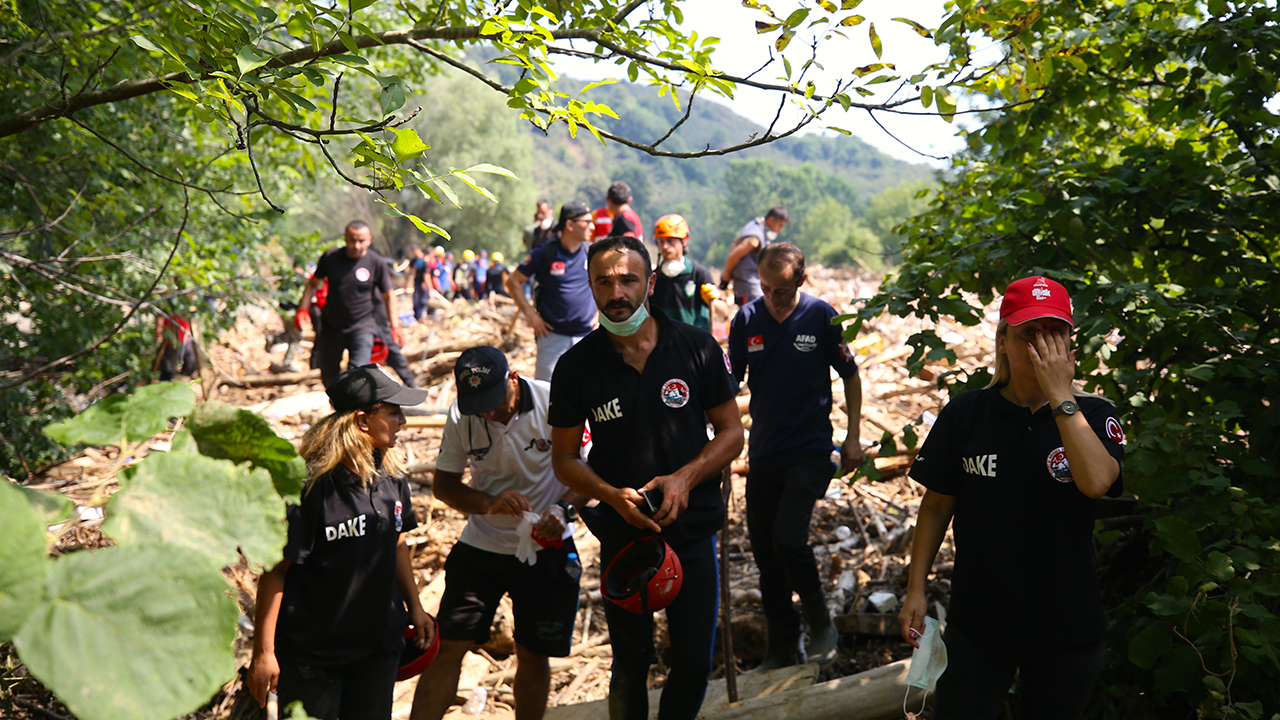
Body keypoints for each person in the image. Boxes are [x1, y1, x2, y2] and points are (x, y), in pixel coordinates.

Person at [898, 275, 1125, 720]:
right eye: (1028, 334)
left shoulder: (1095, 414)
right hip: (979, 624)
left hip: (1067, 626)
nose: (1042, 346)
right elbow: (938, 504)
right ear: (1003, 340)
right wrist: (915, 589)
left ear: (1071, 344)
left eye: (1055, 333)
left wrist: (1061, 396)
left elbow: (1097, 482)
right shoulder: (967, 413)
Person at [548, 235, 744, 720]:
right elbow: (565, 460)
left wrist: (686, 477)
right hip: (623, 532)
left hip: (693, 526)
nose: (617, 292)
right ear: (590, 286)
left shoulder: (695, 346)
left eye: (628, 279)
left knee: (696, 659)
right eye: (604, 281)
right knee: (631, 661)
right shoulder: (575, 367)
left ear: (650, 282)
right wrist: (611, 496)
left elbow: (731, 433)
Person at [410, 346, 586, 720]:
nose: (490, 413)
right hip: (482, 545)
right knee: (449, 645)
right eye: (480, 406)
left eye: (495, 401)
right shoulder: (463, 414)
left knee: (534, 651)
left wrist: (563, 509)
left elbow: (590, 469)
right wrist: (488, 503)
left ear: (514, 378)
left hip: (547, 544)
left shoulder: (555, 402)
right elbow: (445, 485)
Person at [249, 365, 434, 720]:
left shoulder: (391, 477)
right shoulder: (310, 487)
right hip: (313, 657)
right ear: (363, 420)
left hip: (377, 649)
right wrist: (264, 653)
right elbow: (276, 571)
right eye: (394, 412)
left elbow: (395, 543)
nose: (402, 422)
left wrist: (415, 606)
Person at [727, 243, 864, 670]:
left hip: (810, 450)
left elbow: (851, 374)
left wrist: (854, 436)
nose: (773, 297)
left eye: (782, 290)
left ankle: (821, 622)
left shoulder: (821, 316)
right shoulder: (747, 319)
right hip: (764, 452)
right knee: (766, 553)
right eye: (766, 288)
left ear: (800, 281)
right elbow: (730, 384)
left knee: (789, 539)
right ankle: (784, 643)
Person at [298, 221, 404, 388]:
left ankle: (355, 412)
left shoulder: (376, 262)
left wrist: (395, 325)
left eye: (361, 241)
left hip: (362, 327)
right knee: (329, 375)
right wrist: (303, 308)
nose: (356, 245)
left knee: (358, 374)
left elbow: (389, 295)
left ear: (369, 239)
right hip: (332, 328)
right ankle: (338, 410)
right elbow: (313, 284)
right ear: (345, 238)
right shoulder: (330, 258)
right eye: (352, 240)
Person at [506, 201, 598, 381]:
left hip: (587, 337)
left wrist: (600, 315)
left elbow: (605, 284)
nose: (592, 226)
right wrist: (531, 316)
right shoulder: (544, 253)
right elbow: (513, 282)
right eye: (586, 222)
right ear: (570, 225)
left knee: (588, 396)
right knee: (547, 394)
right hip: (552, 338)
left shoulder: (592, 252)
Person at [650, 214, 721, 331]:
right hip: (662, 341)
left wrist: (712, 299)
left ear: (684, 242)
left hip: (694, 342)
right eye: (661, 241)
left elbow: (723, 311)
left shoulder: (699, 273)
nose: (665, 246)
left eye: (670, 241)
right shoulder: (654, 277)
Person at [720, 206, 788, 307]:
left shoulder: (755, 224)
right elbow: (735, 255)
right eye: (780, 225)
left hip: (751, 283)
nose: (780, 230)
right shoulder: (755, 238)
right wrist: (727, 273)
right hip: (748, 286)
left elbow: (736, 242)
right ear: (771, 220)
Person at [154, 307, 198, 381]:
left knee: (191, 365)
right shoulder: (167, 299)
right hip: (171, 340)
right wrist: (159, 334)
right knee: (168, 371)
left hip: (185, 337)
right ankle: (166, 388)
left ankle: (179, 383)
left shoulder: (183, 300)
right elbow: (160, 316)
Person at [410, 246, 431, 321]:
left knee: (422, 302)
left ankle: (421, 317)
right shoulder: (414, 261)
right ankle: (417, 317)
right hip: (417, 284)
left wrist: (429, 287)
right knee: (416, 301)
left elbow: (427, 275)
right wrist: (406, 283)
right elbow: (411, 272)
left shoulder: (425, 260)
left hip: (423, 285)